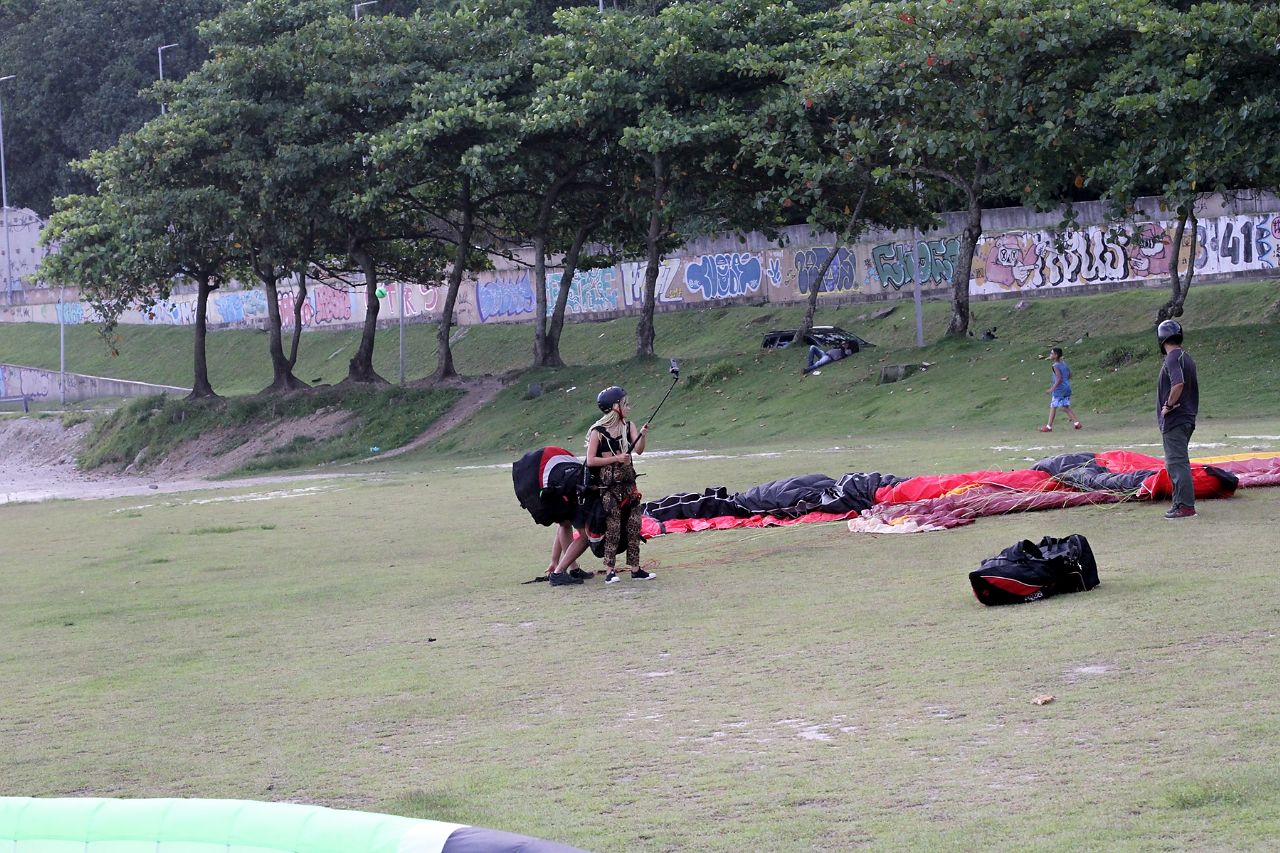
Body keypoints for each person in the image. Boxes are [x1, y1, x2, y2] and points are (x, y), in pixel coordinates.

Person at [586, 386, 656, 583]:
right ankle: (610, 572)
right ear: (615, 406)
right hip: (609, 489)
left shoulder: (629, 426)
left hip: (629, 486)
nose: (628, 407)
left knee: (634, 525)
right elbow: (591, 460)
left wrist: (642, 435)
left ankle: (636, 569)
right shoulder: (597, 432)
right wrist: (616, 458)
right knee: (613, 528)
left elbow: (639, 450)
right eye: (625, 404)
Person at [1155, 319, 1199, 519]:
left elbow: (1178, 384)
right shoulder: (1186, 357)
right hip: (1187, 418)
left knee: (1176, 463)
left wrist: (1168, 406)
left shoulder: (1172, 358)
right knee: (1177, 462)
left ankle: (1185, 506)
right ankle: (1179, 503)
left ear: (1162, 338)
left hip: (1176, 420)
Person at [1039, 346, 1082, 432]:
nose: (1050, 355)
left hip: (1059, 389)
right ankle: (1077, 423)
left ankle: (1049, 427)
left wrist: (1052, 389)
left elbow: (1058, 379)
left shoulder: (1055, 366)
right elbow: (1070, 374)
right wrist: (1065, 382)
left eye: (1051, 353)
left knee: (1053, 406)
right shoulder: (1064, 363)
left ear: (1056, 355)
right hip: (1067, 387)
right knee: (1065, 407)